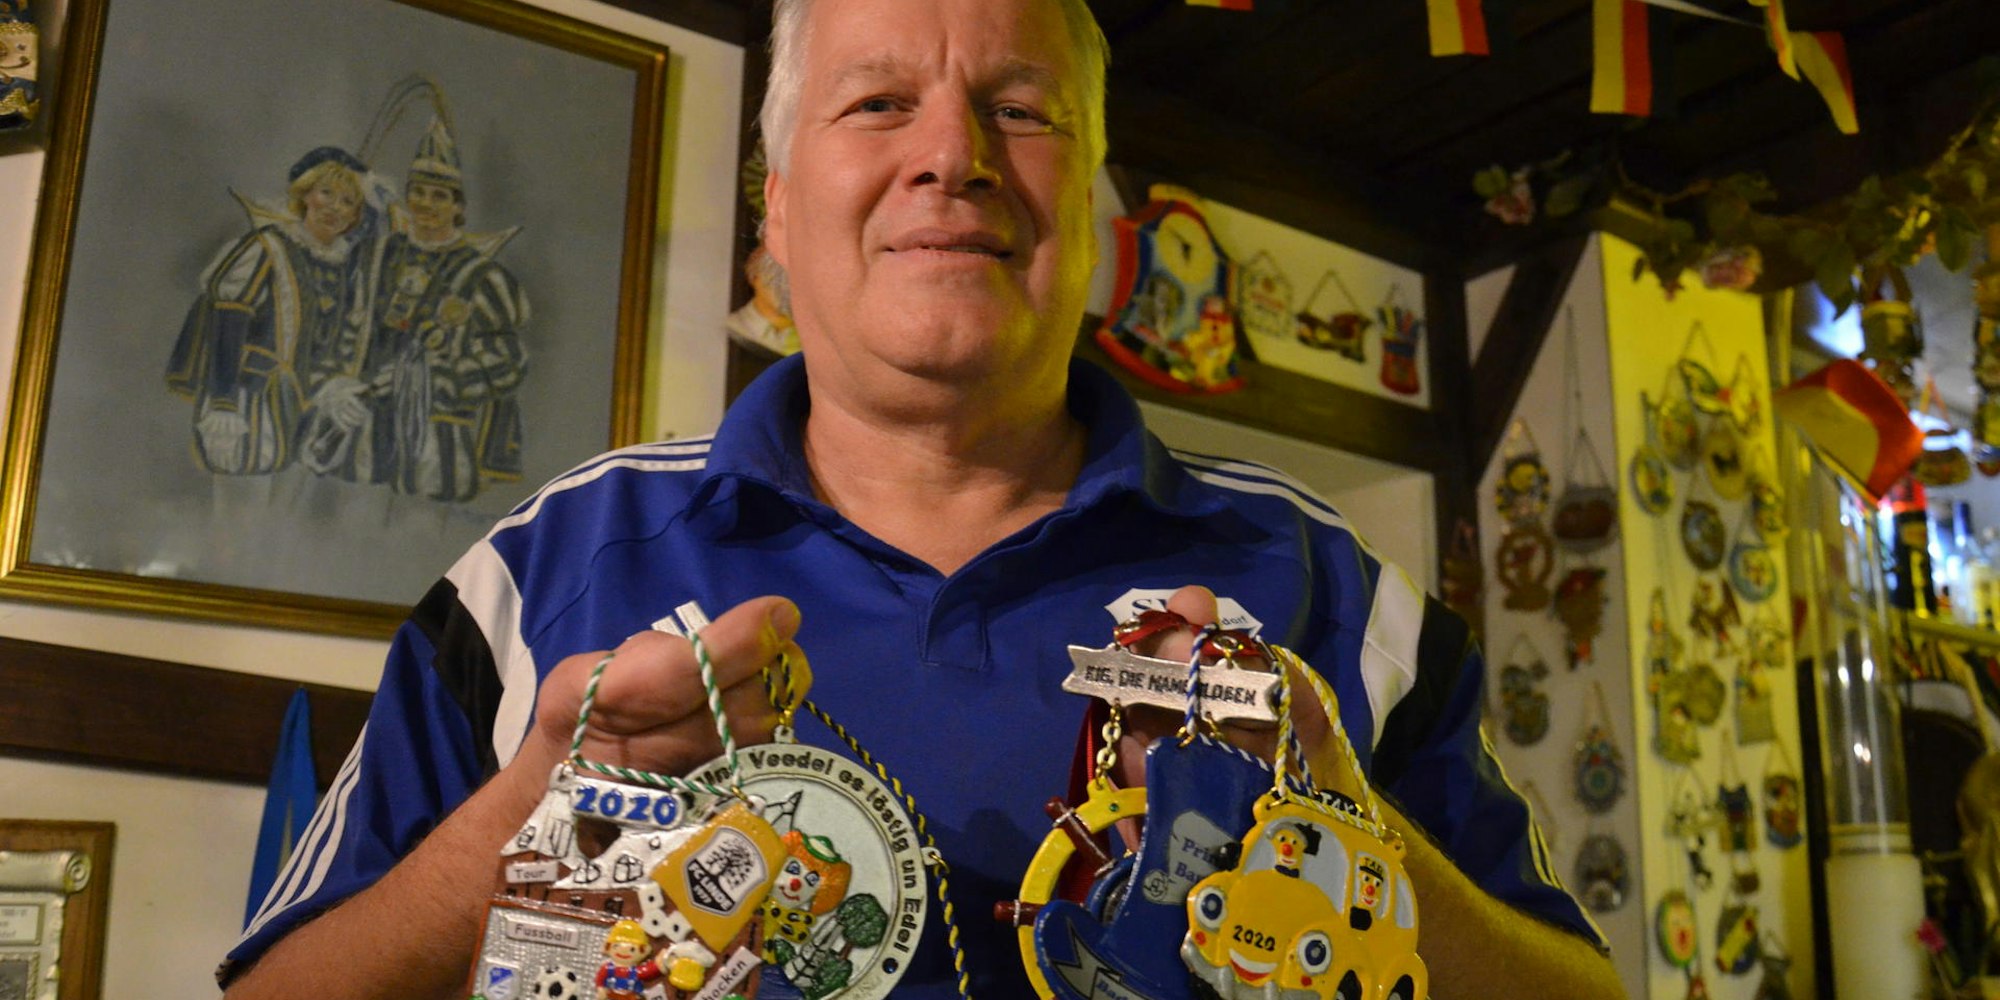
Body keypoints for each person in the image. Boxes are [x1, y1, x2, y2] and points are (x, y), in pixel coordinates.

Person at [219, 0, 1627, 998]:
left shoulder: (1329, 588)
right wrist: (539, 820)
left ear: (1099, 220)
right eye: (879, 102)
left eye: (1018, 109)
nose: (951, 155)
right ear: (777, 209)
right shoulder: (544, 570)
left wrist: (1344, 837)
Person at [304, 116, 529, 501]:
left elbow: (508, 363)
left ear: (458, 207)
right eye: (419, 192)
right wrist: (333, 386)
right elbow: (334, 331)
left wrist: (431, 380)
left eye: (439, 196)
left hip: (435, 446)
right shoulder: (373, 257)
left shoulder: (482, 277)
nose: (426, 203)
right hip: (359, 438)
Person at [167, 146, 374, 476]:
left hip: (305, 408)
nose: (335, 207)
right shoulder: (268, 247)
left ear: (354, 217)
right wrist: (223, 402)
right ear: (305, 195)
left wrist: (335, 387)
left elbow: (332, 343)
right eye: (326, 193)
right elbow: (228, 322)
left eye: (347, 201)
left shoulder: (344, 269)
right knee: (244, 486)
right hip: (248, 400)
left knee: (290, 495)